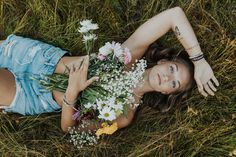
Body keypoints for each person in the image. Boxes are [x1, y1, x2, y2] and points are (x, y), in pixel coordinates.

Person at [0, 7, 219, 132]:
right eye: (172, 69)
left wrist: (72, 93)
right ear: (162, 62)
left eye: (174, 84)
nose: (167, 78)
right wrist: (198, 60)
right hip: (37, 57)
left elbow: (71, 129)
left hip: (35, 95)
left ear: (166, 93)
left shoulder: (124, 115)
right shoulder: (129, 54)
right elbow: (174, 14)